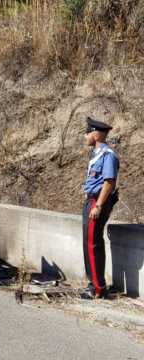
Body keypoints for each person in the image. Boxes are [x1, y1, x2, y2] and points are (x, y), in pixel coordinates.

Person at [82, 117, 120, 299]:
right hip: (92, 200)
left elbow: (109, 182)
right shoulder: (96, 154)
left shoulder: (108, 155)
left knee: (92, 244)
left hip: (97, 201)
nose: (85, 136)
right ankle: (95, 285)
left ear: (96, 134)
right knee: (90, 243)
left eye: (88, 132)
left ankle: (97, 288)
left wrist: (98, 205)